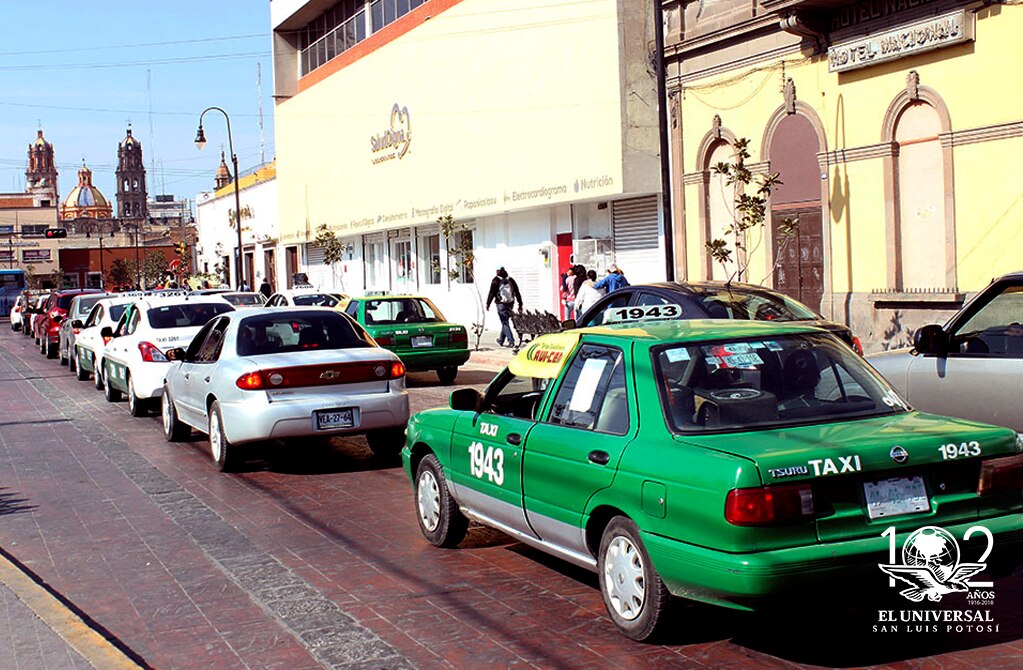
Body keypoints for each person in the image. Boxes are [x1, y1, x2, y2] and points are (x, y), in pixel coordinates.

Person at [486, 266, 523, 348]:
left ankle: (511, 341)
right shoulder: (511, 280)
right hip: (510, 303)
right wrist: (520, 304)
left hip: (501, 304)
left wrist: (488, 303)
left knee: (504, 322)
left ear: (498, 271)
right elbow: (517, 292)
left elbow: (491, 293)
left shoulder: (495, 280)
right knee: (505, 321)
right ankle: (501, 340)